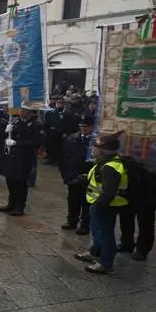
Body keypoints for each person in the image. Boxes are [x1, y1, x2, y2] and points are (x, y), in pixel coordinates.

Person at [73, 132, 128, 274]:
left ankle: (106, 263)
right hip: (98, 204)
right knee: (97, 231)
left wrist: (98, 206)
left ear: (103, 150)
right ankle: (94, 252)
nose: (93, 149)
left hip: (105, 206)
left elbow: (108, 192)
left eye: (95, 147)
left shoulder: (110, 167)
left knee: (105, 234)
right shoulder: (104, 163)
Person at [0, 104, 43, 216]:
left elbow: (36, 142)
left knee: (20, 182)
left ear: (30, 112)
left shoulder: (36, 125)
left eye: (24, 111)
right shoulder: (16, 122)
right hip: (12, 156)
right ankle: (11, 203)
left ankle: (19, 206)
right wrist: (7, 131)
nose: (21, 112)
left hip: (24, 157)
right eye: (21, 110)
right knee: (10, 180)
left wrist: (17, 143)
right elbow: (8, 137)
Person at [58, 115, 94, 234]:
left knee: (86, 202)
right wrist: (65, 174)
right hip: (72, 174)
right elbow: (63, 157)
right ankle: (72, 220)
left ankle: (85, 224)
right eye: (82, 126)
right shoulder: (71, 138)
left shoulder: (94, 140)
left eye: (86, 127)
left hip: (87, 175)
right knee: (73, 200)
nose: (84, 129)